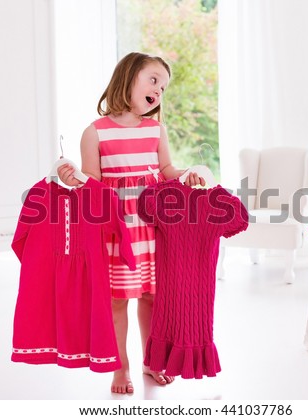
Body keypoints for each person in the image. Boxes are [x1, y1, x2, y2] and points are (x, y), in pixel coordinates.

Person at [57, 52, 205, 394]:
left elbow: (167, 172)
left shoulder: (155, 130)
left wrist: (188, 174)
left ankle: (151, 362)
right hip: (117, 232)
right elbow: (91, 180)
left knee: (153, 298)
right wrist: (72, 177)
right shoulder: (95, 133)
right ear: (128, 77)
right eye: (154, 80)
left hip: (152, 230)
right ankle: (120, 368)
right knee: (117, 301)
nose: (160, 91)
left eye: (164, 87)